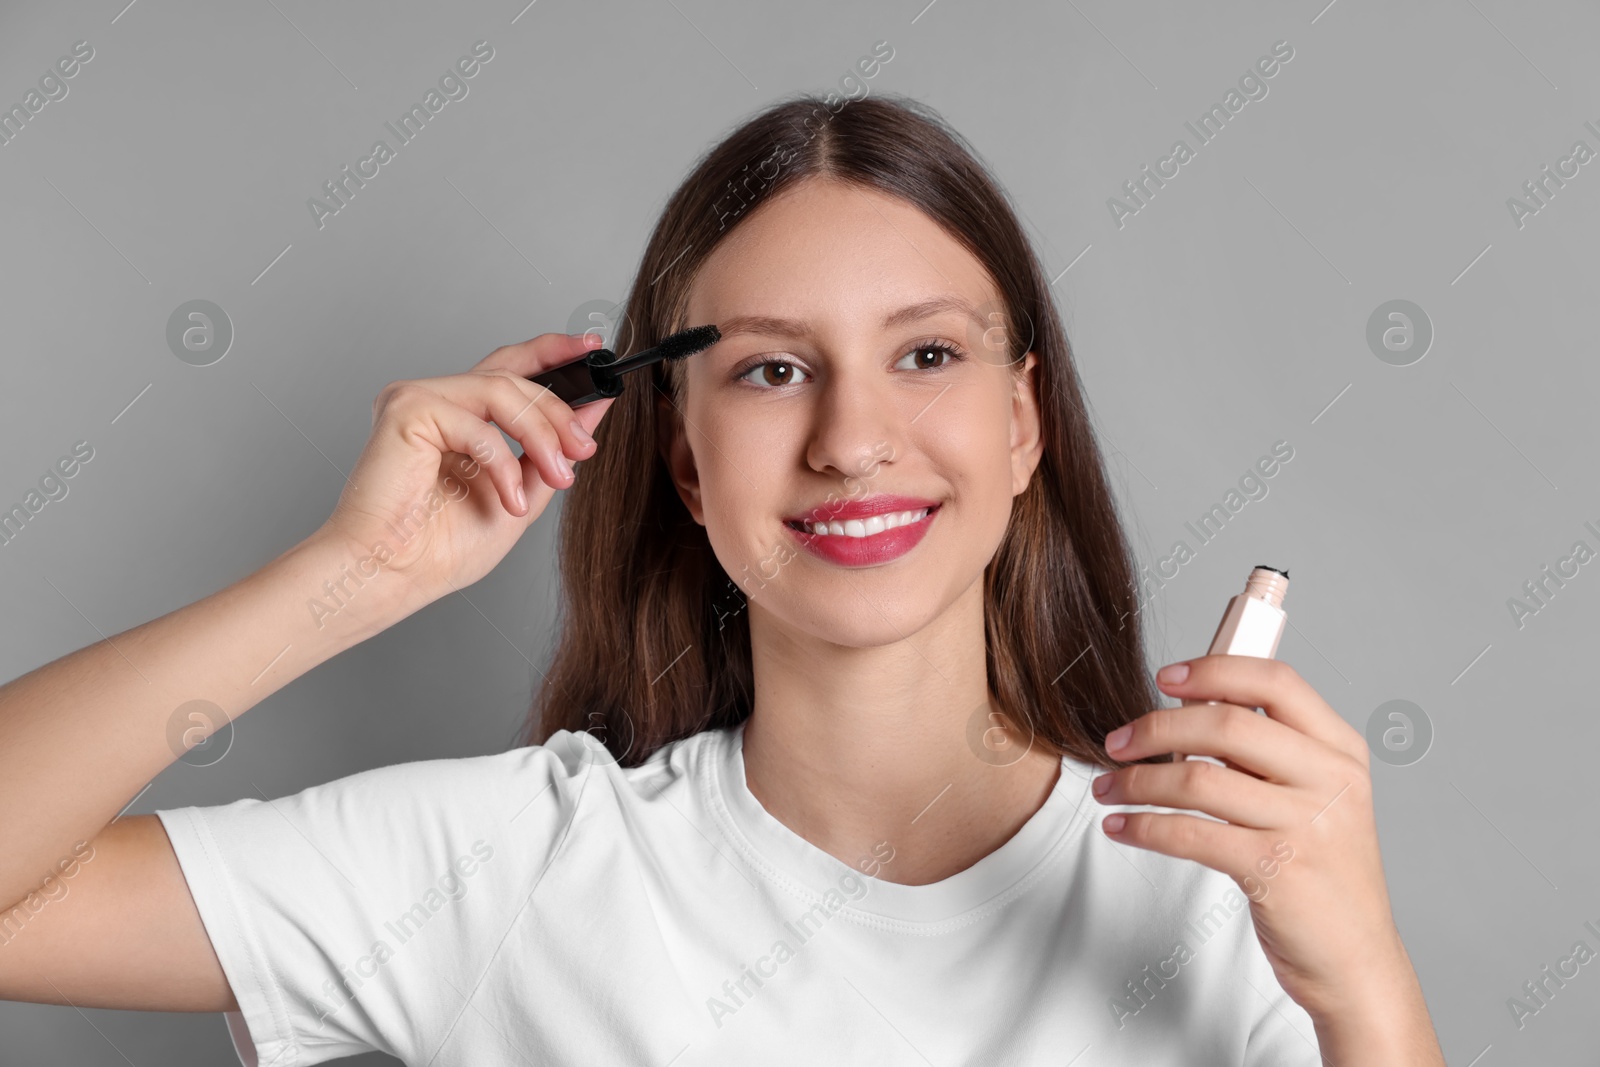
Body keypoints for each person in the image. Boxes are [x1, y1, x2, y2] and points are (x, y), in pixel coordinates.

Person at [0, 93, 1443, 1065]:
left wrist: (1364, 986)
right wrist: (347, 578)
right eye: (770, 369)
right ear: (687, 468)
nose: (855, 438)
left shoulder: (1231, 901)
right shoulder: (504, 873)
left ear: (1022, 425)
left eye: (927, 354)